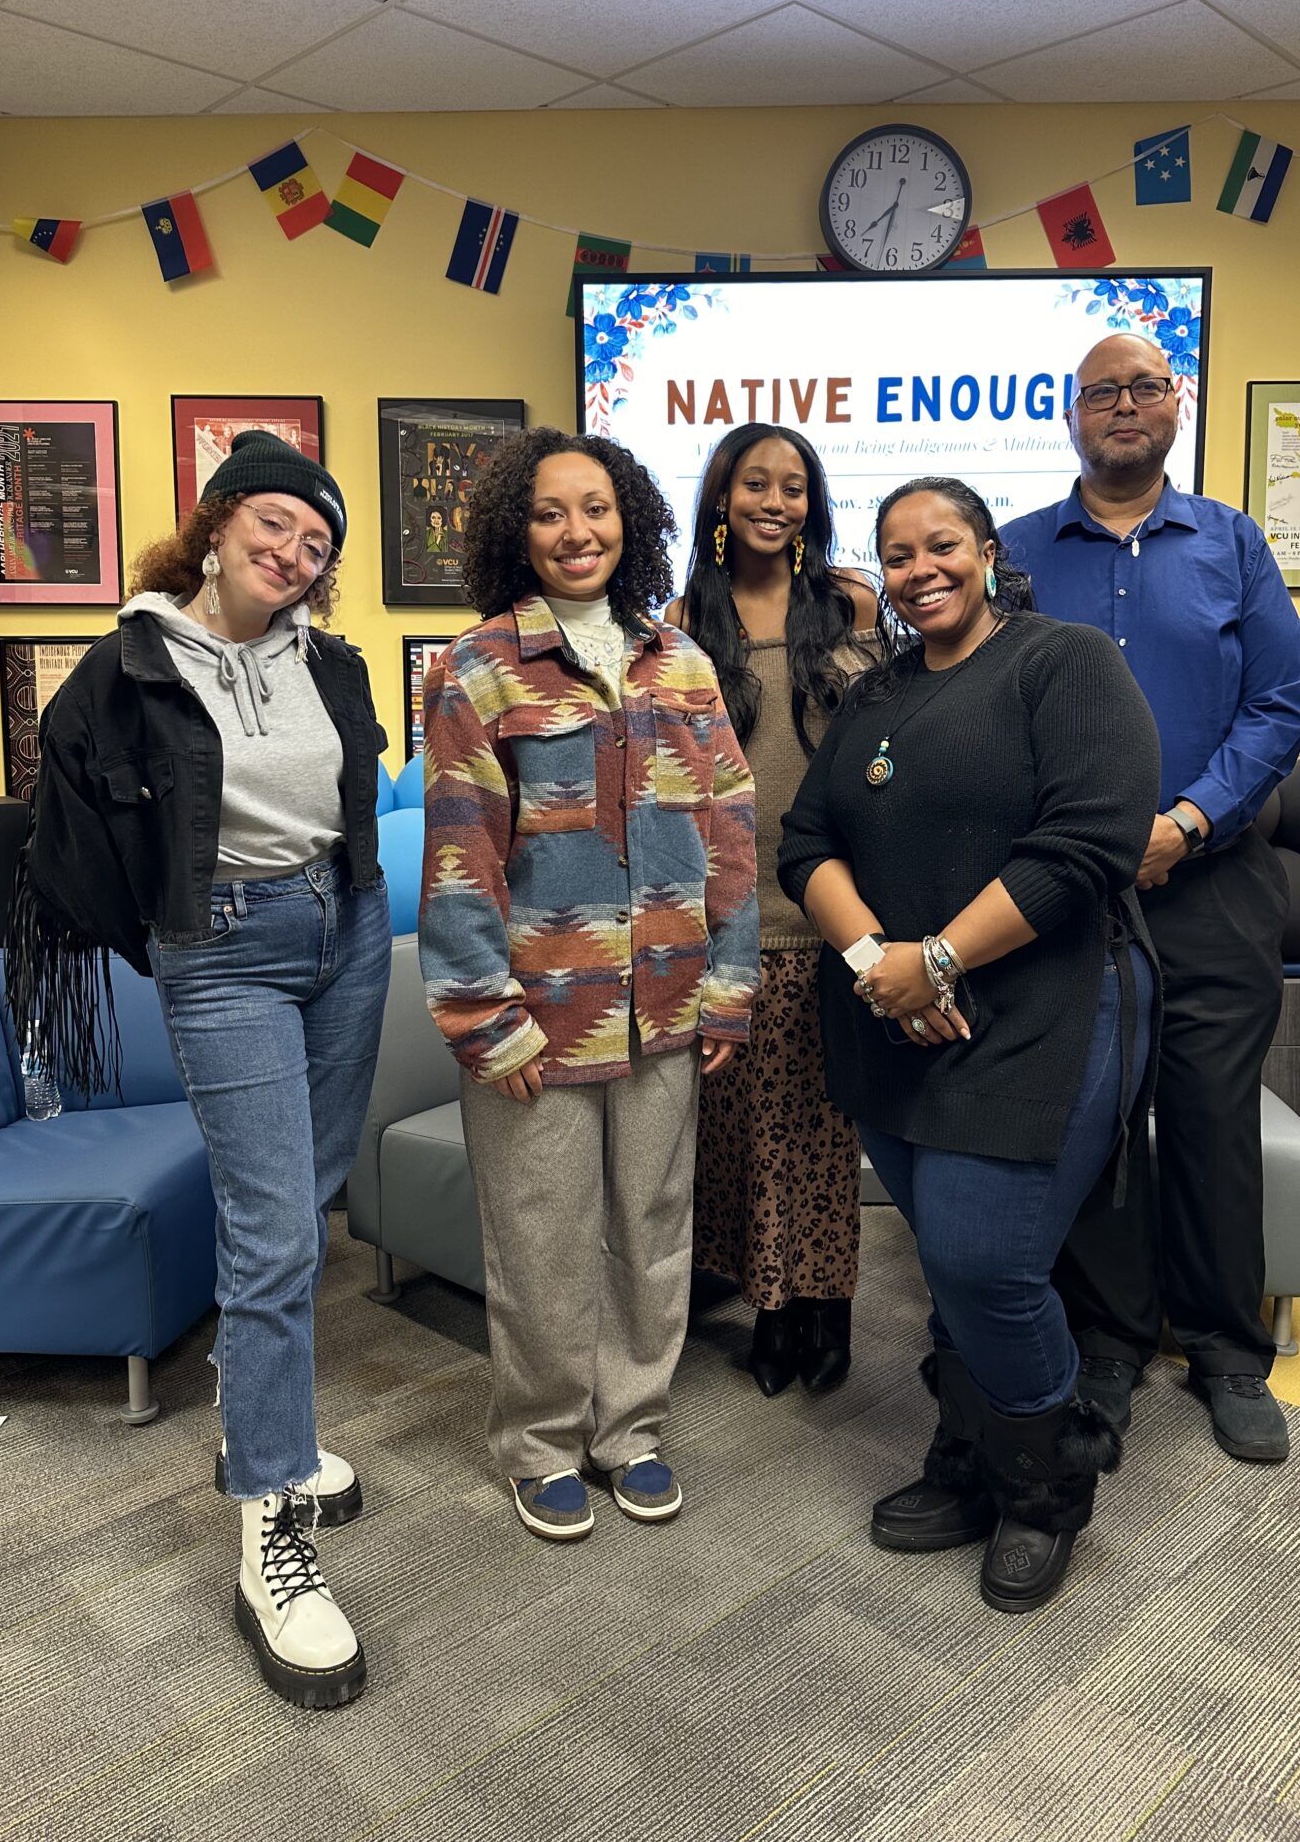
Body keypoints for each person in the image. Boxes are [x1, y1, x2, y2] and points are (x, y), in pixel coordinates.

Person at [5, 431, 390, 1710]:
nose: (291, 554)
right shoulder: (124, 664)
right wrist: (176, 943)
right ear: (219, 523)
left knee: (302, 1204)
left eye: (317, 544)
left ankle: (256, 1418)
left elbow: (353, 795)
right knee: (276, 1235)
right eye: (274, 526)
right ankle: (268, 1516)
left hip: (346, 931)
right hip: (220, 951)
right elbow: (73, 836)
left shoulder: (328, 661)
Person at [778, 477, 1159, 1613]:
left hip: (1046, 1006)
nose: (918, 568)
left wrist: (937, 957)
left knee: (986, 1256)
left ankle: (1047, 1486)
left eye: (942, 544)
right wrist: (879, 968)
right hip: (893, 1016)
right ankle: (974, 1454)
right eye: (896, 555)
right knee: (950, 1262)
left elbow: (1090, 841)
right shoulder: (876, 690)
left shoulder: (1067, 661)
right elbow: (809, 841)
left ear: (989, 552)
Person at [419, 426, 759, 1543]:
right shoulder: (477, 668)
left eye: (598, 509)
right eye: (553, 512)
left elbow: (732, 835)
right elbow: (460, 849)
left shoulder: (685, 663)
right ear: (519, 531)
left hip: (666, 1003)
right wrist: (480, 1014)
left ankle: (632, 1428)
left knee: (652, 1228)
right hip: (535, 1014)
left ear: (633, 522)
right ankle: (542, 1439)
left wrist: (729, 981)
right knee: (540, 1236)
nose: (578, 532)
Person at [1002, 335, 1300, 1464]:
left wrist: (1186, 823)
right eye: (1101, 392)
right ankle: (1110, 1337)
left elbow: (1283, 703)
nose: (1123, 406)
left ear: (1175, 405)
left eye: (1144, 387)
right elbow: (983, 702)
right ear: (1070, 414)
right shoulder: (1016, 553)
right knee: (1086, 1116)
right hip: (1069, 896)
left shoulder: (1233, 542)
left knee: (1208, 1114)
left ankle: (1229, 1347)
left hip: (1214, 881)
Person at [665, 424, 877, 1396]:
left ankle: (824, 1312)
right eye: (756, 482)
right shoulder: (680, 621)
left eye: (795, 486)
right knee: (744, 1135)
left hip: (834, 906)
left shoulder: (850, 604)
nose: (775, 501)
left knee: (823, 1128)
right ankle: (770, 1307)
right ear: (720, 496)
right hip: (729, 916)